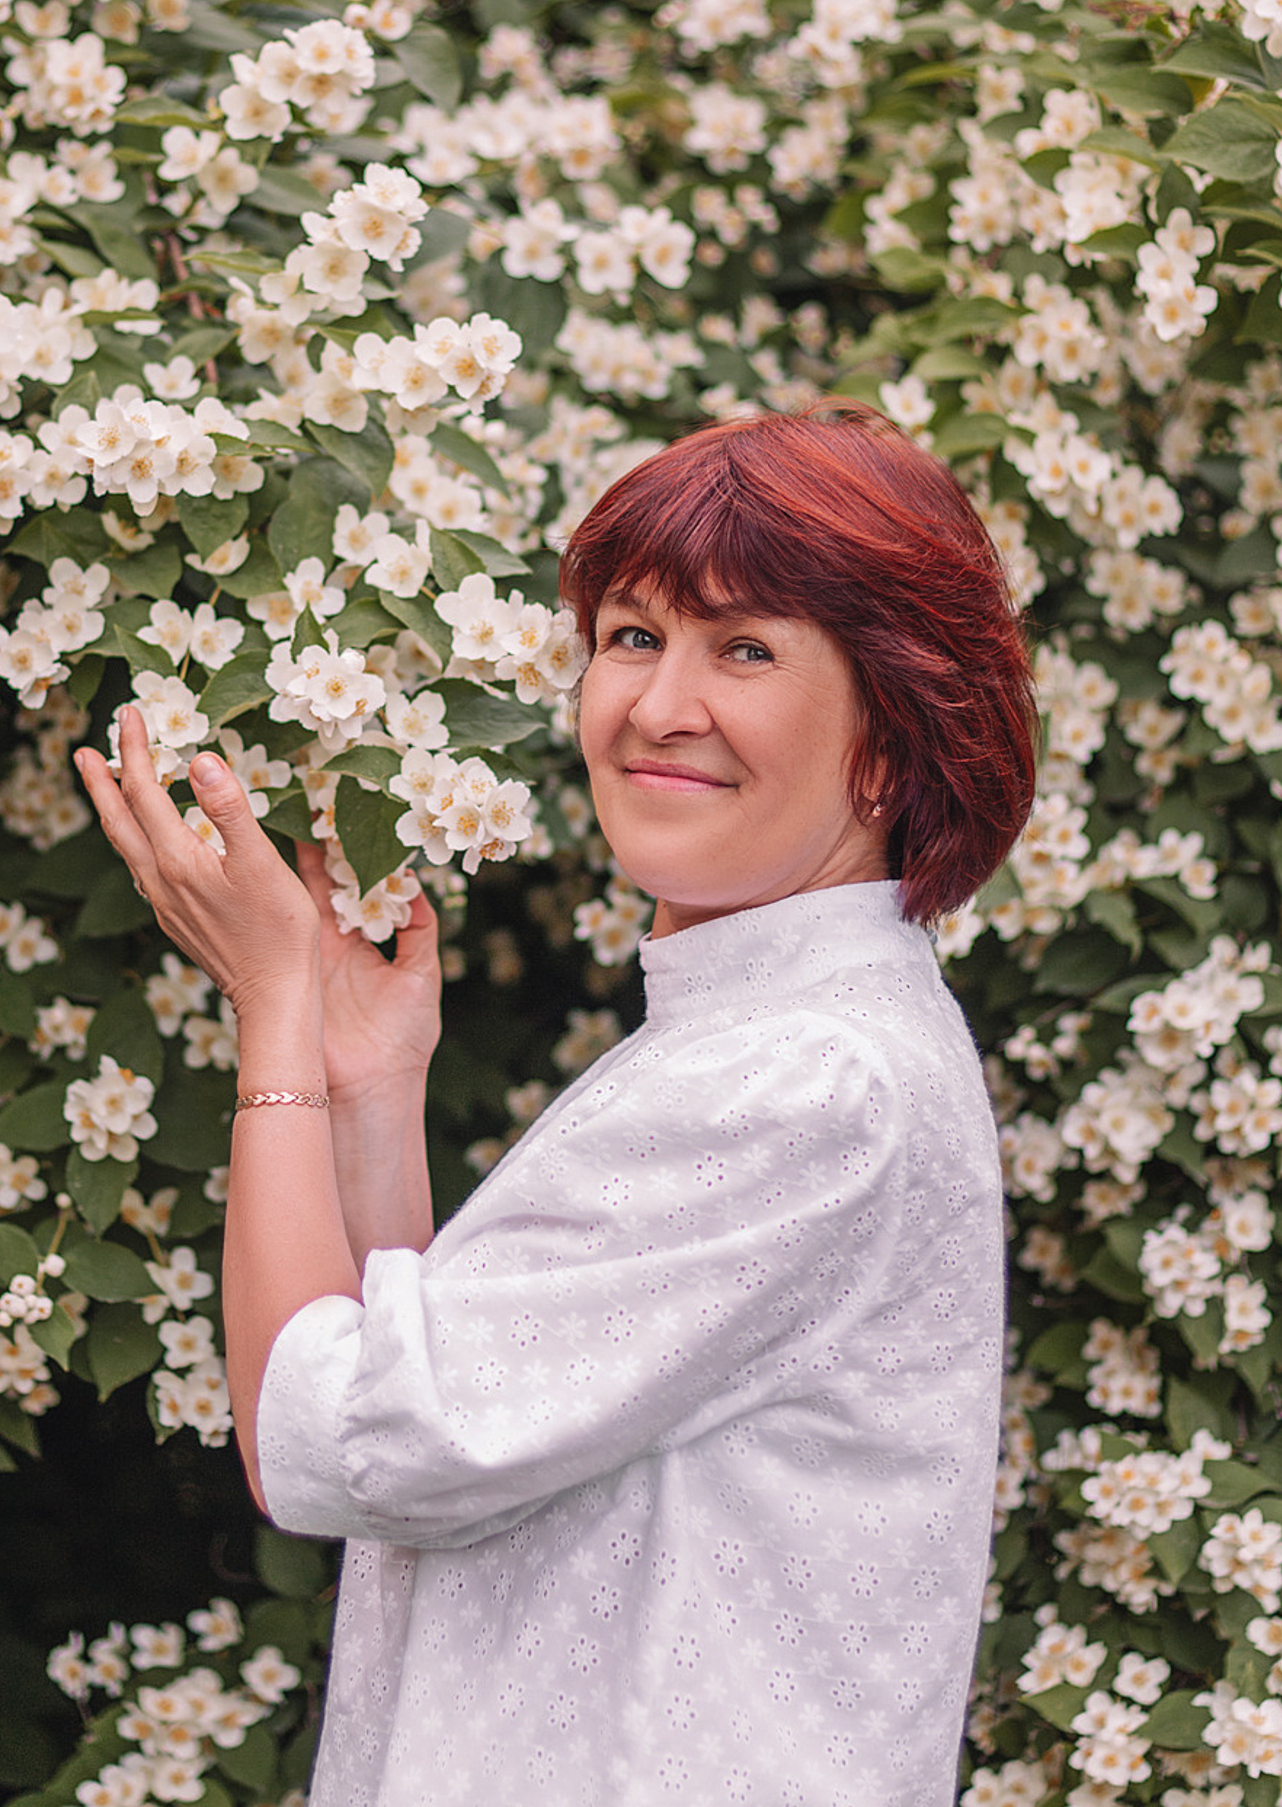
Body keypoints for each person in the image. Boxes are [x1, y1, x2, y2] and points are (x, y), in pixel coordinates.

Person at [74, 401, 1037, 1807]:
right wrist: (365, 1086)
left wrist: (270, 1008)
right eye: (634, 635)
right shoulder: (779, 1034)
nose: (656, 706)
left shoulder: (802, 1081)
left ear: (891, 744)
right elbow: (451, 1418)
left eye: (745, 650)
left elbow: (327, 1442)